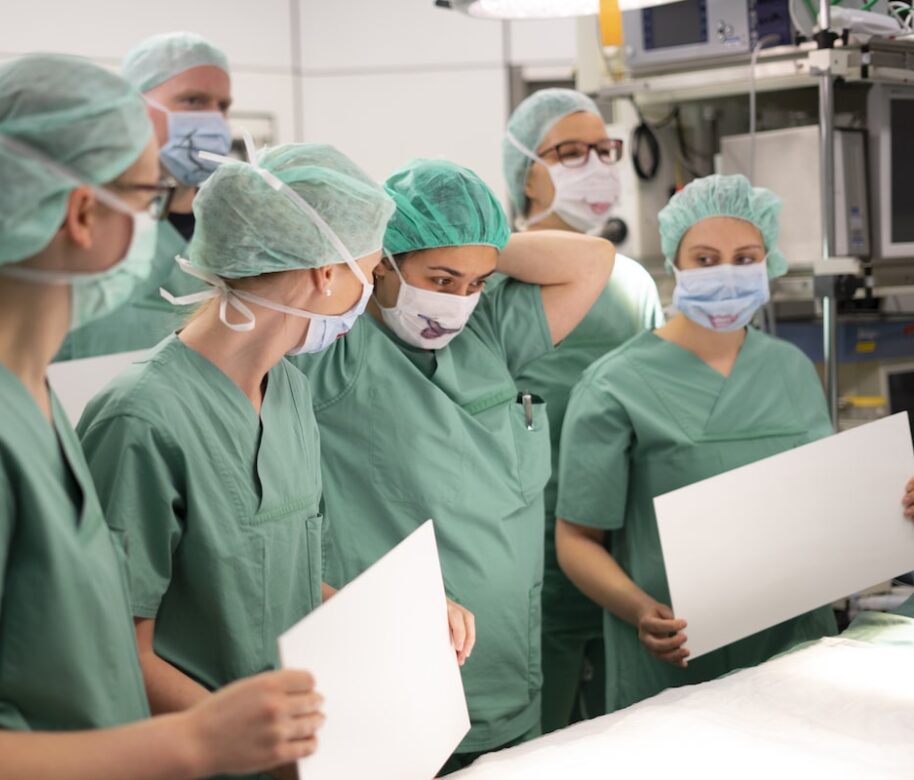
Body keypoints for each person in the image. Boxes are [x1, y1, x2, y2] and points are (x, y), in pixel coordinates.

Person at [0, 54, 323, 780]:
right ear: (83, 214)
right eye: (147, 196)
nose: (156, 225)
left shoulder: (12, 388)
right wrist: (195, 742)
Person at [78, 143, 476, 780]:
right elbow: (114, 650)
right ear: (325, 273)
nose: (368, 292)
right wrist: (252, 744)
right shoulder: (141, 418)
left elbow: (282, 579)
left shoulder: (288, 387)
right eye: (369, 271)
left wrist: (400, 621)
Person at [289, 158, 614, 774]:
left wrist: (476, 243)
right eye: (440, 278)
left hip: (506, 668)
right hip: (398, 672)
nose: (457, 301)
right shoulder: (333, 347)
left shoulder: (486, 331)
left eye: (476, 282)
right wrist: (408, 230)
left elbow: (593, 262)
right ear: (382, 261)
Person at [554, 174, 914, 713]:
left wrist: (897, 502)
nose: (726, 273)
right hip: (676, 654)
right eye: (705, 259)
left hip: (797, 649)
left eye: (745, 258)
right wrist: (638, 609)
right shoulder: (614, 385)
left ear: (768, 263)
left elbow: (822, 502)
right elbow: (576, 538)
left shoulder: (791, 367)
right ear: (676, 263)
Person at [502, 88, 665, 732]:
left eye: (604, 149)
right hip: (523, 555)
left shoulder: (633, 284)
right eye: (570, 152)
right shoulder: (491, 286)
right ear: (526, 172)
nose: (594, 165)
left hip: (620, 551)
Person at [56, 31, 232, 360]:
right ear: (134, 106)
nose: (213, 119)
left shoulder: (234, 222)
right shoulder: (84, 213)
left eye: (222, 106)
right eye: (193, 101)